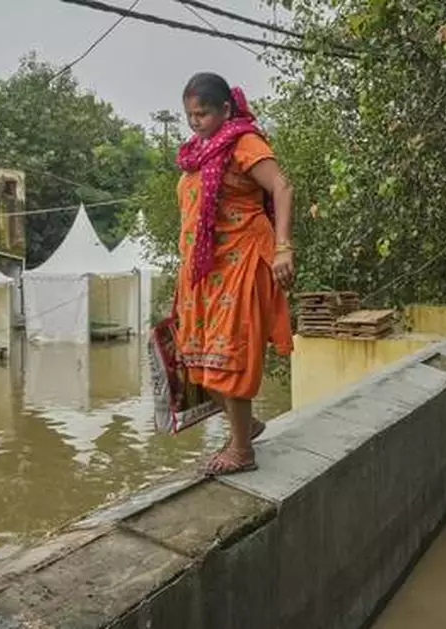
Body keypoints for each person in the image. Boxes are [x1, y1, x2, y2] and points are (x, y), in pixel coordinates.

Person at [175, 72, 294, 476]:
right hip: (204, 270)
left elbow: (282, 186)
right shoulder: (196, 152)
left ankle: (242, 450)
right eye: (190, 115)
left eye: (203, 114)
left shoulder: (244, 142)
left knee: (230, 356)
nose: (195, 123)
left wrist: (283, 248)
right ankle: (249, 427)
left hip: (243, 259)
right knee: (198, 362)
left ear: (226, 109)